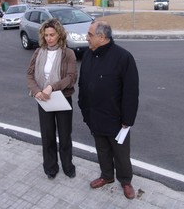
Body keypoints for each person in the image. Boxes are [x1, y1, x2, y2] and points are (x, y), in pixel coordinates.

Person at [78, 20, 139, 199]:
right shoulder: (89, 55)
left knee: (121, 153)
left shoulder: (123, 58)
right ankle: (106, 176)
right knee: (102, 149)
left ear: (101, 37)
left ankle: (126, 181)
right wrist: (84, 108)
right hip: (94, 115)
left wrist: (127, 120)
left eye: (89, 35)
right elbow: (83, 83)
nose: (86, 38)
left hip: (116, 119)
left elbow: (131, 91)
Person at [27, 18, 77, 180]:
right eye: (46, 35)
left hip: (62, 98)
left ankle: (68, 166)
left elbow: (71, 78)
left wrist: (52, 87)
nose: (49, 38)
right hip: (43, 99)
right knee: (47, 135)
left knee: (64, 136)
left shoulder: (67, 53)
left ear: (59, 35)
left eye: (52, 34)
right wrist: (36, 91)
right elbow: (29, 74)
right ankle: (50, 167)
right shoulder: (38, 52)